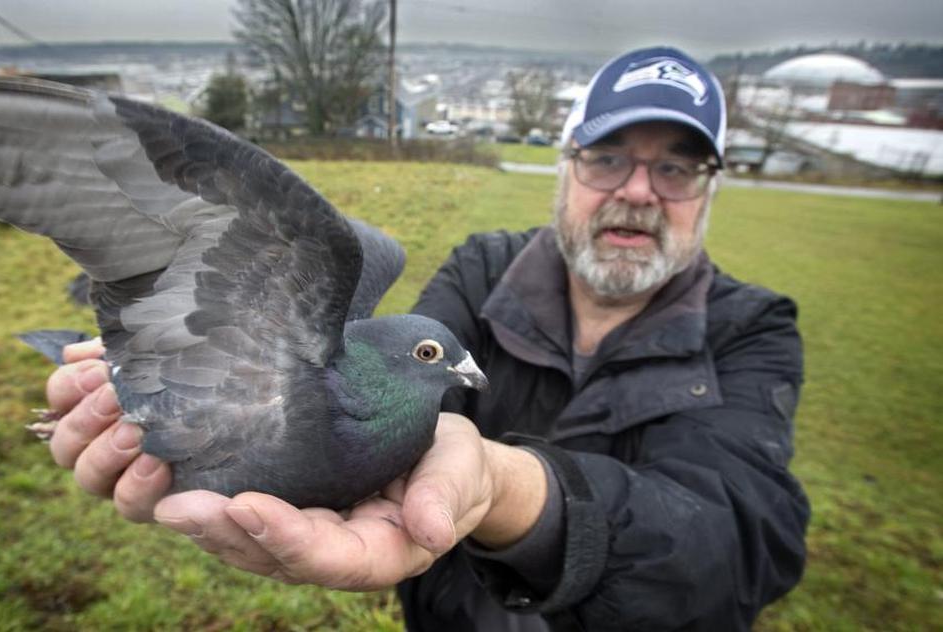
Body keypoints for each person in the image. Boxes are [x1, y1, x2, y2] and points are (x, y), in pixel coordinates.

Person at [43, 46, 809, 630]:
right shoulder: (483, 272)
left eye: (677, 169)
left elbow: (746, 544)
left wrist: (507, 490)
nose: (638, 191)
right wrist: (195, 357)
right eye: (609, 159)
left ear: (709, 190)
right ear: (568, 166)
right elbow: (358, 369)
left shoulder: (754, 329)